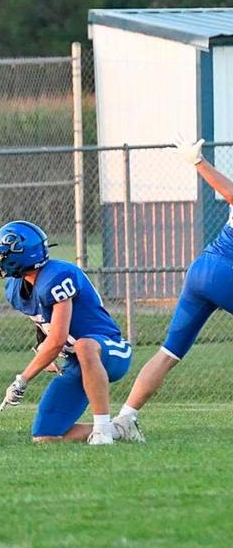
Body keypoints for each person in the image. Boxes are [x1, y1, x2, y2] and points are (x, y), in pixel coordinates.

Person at [114, 138, 233, 442]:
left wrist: (197, 161)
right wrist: (198, 162)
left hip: (202, 269)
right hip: (224, 272)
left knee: (168, 353)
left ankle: (125, 417)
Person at [0, 221, 133, 444]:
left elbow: (57, 340)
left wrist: (22, 380)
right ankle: (120, 429)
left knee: (84, 345)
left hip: (109, 352)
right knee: (46, 436)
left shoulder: (57, 276)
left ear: (22, 255)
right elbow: (41, 319)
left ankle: (103, 431)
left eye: (3, 253)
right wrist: (41, 347)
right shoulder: (15, 287)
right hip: (77, 364)